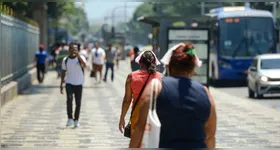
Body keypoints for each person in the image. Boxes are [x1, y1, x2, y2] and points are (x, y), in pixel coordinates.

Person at [129, 42, 216, 148]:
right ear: (193, 69)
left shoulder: (156, 87)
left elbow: (139, 128)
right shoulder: (205, 92)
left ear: (169, 66)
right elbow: (210, 135)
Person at [119, 50, 162, 137]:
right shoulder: (161, 77)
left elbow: (127, 100)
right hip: (155, 118)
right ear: (154, 63)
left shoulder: (131, 76)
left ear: (140, 63)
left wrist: (122, 118)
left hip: (137, 117)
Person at [60, 43, 87, 127]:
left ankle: (76, 120)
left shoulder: (81, 58)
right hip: (69, 83)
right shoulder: (65, 60)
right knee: (69, 100)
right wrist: (61, 84)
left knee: (78, 102)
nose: (73, 50)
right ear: (69, 50)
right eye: (71, 48)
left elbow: (85, 65)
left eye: (74, 49)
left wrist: (78, 55)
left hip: (79, 83)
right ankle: (70, 118)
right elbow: (63, 72)